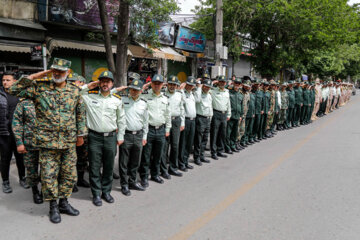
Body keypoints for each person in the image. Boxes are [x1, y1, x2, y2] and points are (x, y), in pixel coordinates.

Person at [9, 58, 87, 224]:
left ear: (68, 73)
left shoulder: (74, 91)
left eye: (61, 71)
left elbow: (80, 114)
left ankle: (64, 203)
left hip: (68, 142)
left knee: (68, 175)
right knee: (49, 176)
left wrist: (81, 136)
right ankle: (53, 207)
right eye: (54, 70)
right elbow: (13, 90)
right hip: (47, 143)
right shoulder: (39, 88)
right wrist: (39, 75)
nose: (57, 73)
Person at [80, 70, 126, 207]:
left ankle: (106, 191)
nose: (105, 84)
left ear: (112, 84)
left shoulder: (117, 100)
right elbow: (76, 92)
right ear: (99, 83)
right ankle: (96, 194)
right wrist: (90, 85)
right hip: (94, 137)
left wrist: (121, 136)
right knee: (94, 166)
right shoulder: (89, 96)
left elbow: (121, 119)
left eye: (108, 81)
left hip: (111, 137)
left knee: (108, 166)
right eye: (102, 81)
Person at [139, 74, 171, 187]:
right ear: (151, 84)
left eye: (159, 83)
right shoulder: (145, 96)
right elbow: (137, 91)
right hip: (149, 130)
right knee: (146, 155)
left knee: (158, 154)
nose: (157, 85)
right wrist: (145, 85)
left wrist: (167, 129)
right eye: (155, 83)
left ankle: (155, 174)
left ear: (162, 85)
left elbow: (168, 115)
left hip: (161, 130)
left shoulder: (165, 98)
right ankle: (144, 176)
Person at [119, 78, 148, 196]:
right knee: (123, 162)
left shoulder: (144, 103)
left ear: (141, 91)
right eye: (132, 89)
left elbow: (145, 121)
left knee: (135, 161)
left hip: (139, 135)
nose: (134, 92)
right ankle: (124, 184)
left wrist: (144, 136)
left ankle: (132, 181)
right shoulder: (122, 100)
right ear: (129, 90)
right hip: (126, 135)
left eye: (136, 90)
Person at [12, 97, 43, 204]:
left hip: (47, 144)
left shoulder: (48, 100)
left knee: (47, 169)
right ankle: (35, 191)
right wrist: (19, 142)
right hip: (30, 143)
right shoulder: (24, 103)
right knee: (31, 169)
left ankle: (45, 190)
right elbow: (17, 122)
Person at [1, 71, 27, 193]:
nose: (5, 82)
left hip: (18, 133)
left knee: (20, 157)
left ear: (15, 81)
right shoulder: (0, 94)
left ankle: (23, 178)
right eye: (3, 80)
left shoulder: (20, 94)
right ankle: (5, 182)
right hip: (4, 133)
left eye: (8, 80)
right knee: (5, 158)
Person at [67, 73, 90, 192]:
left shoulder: (85, 95)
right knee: (70, 160)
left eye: (74, 81)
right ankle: (71, 182)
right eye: (69, 81)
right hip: (70, 134)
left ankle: (80, 179)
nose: (72, 84)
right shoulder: (66, 96)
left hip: (84, 133)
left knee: (82, 157)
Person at [161, 75, 184, 177]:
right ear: (167, 84)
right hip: (165, 122)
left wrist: (182, 123)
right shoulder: (162, 94)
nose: (172, 86)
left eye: (174, 85)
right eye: (170, 84)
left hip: (176, 121)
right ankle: (163, 169)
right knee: (164, 146)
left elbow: (182, 109)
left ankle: (173, 168)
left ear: (177, 86)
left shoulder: (179, 94)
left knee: (175, 145)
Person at [210, 76, 231, 160]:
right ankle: (213, 152)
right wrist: (212, 83)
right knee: (214, 133)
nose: (222, 83)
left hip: (224, 114)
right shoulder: (213, 91)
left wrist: (229, 114)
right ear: (218, 82)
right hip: (216, 113)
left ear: (225, 83)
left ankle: (220, 150)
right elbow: (206, 87)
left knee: (222, 133)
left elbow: (228, 104)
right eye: (220, 82)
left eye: (223, 82)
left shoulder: (227, 92)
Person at [178, 76, 197, 167]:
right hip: (185, 120)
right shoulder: (182, 93)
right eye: (189, 84)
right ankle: (181, 163)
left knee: (189, 142)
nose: (190, 86)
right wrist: (181, 89)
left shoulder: (192, 94)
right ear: (186, 84)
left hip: (193, 121)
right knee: (183, 143)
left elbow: (199, 100)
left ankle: (186, 161)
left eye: (192, 85)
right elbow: (183, 102)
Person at [193, 78, 213, 164]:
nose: (207, 88)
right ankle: (196, 157)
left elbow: (210, 107)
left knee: (205, 139)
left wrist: (210, 117)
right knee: (198, 139)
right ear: (202, 86)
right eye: (205, 86)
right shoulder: (198, 93)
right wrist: (199, 87)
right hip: (200, 118)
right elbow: (197, 100)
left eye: (208, 87)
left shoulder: (209, 95)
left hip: (207, 119)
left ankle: (202, 155)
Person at [225, 77, 243, 153]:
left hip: (237, 116)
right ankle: (227, 147)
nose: (237, 85)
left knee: (234, 133)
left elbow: (241, 105)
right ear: (233, 83)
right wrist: (229, 85)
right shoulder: (229, 92)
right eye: (236, 83)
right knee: (228, 133)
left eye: (238, 84)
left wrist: (241, 115)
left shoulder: (240, 94)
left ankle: (233, 146)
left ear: (240, 85)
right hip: (230, 116)